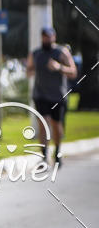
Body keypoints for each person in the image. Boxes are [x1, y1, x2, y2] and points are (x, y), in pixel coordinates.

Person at [27, 26, 77, 166]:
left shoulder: (61, 52)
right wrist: (30, 70)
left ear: (54, 37)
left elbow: (73, 72)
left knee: (56, 125)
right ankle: (44, 156)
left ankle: (58, 152)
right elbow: (29, 71)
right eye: (44, 36)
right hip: (40, 95)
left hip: (58, 96)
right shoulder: (35, 53)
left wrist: (59, 67)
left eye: (49, 36)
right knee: (44, 123)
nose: (47, 39)